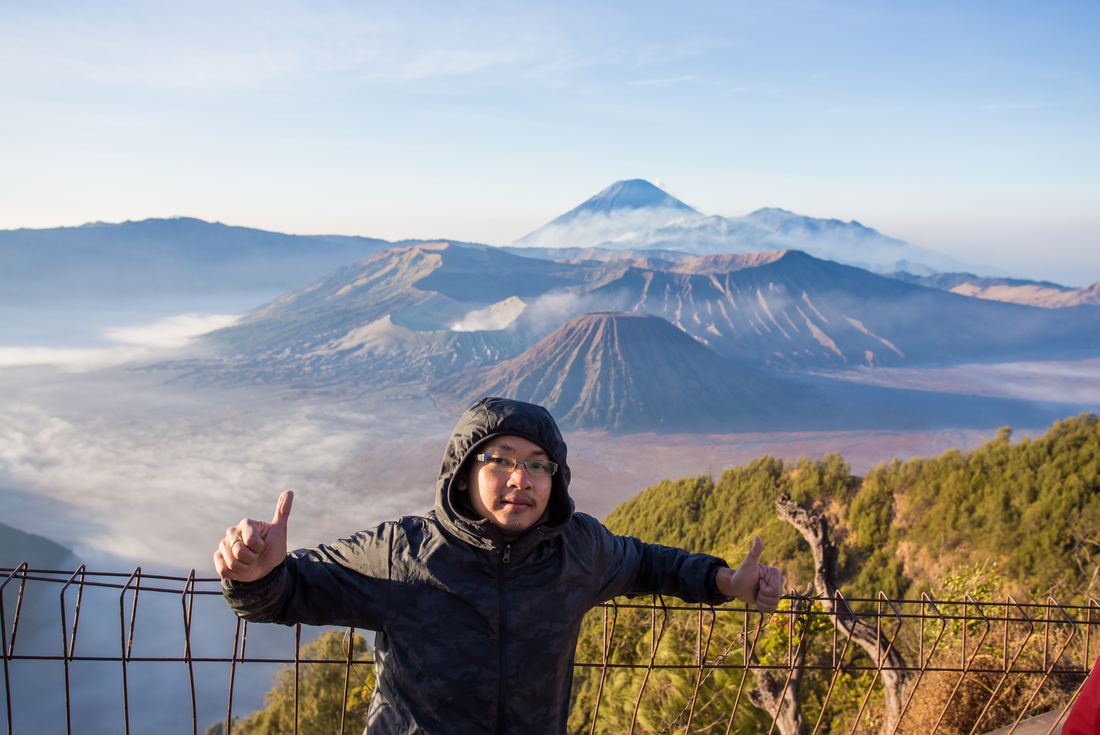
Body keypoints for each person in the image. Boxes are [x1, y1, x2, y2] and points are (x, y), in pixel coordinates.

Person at [215, 396, 783, 734]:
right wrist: (256, 574)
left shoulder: (578, 551)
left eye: (539, 466)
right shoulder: (402, 554)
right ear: (463, 472)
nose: (522, 479)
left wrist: (723, 580)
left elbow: (648, 563)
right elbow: (291, 592)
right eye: (501, 461)